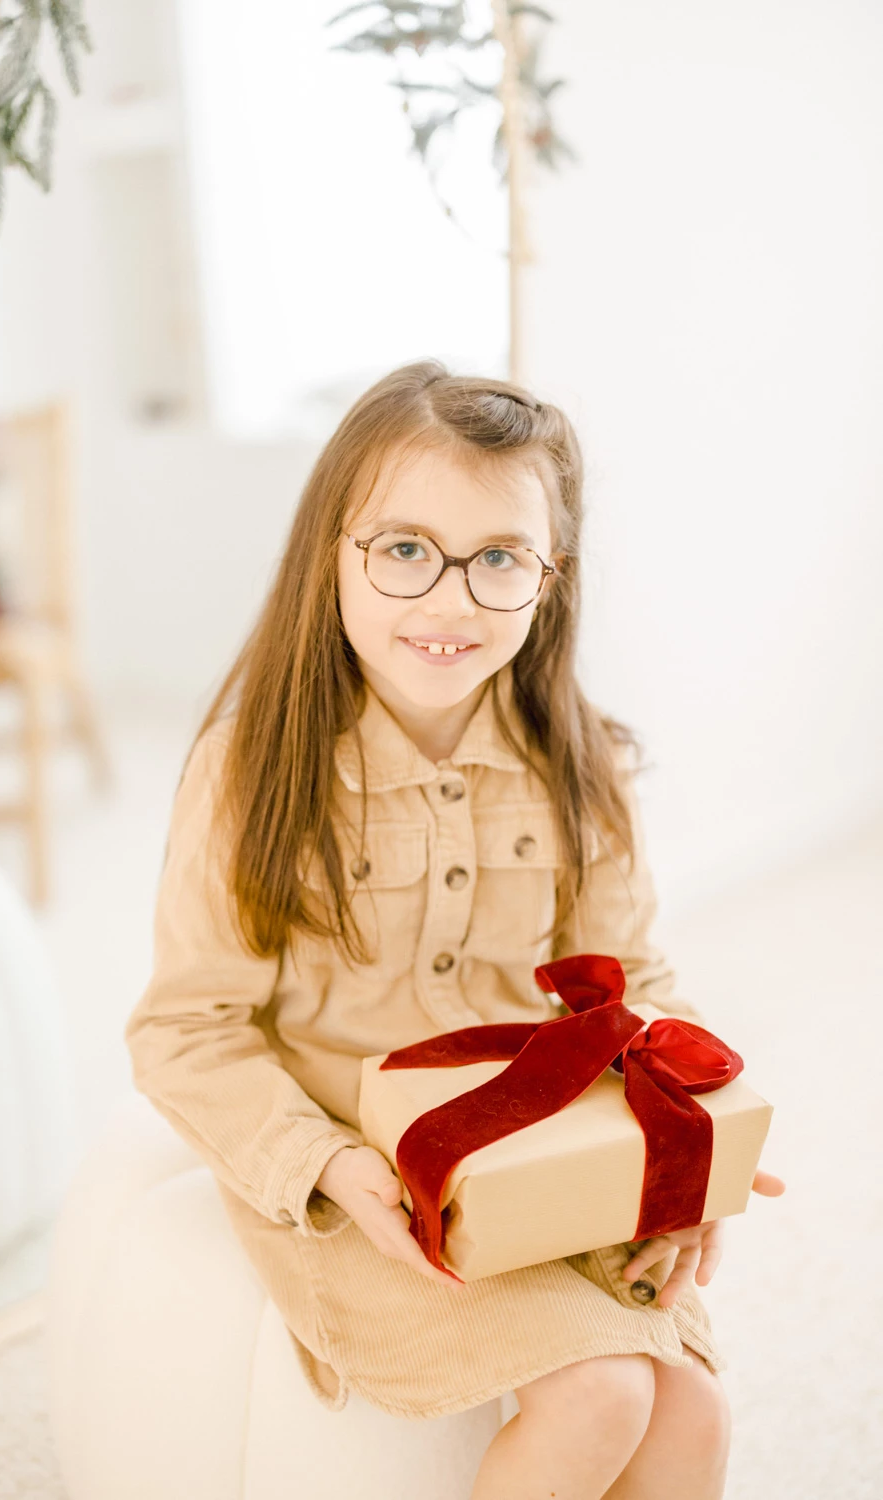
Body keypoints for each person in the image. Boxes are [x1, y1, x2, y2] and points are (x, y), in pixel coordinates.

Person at [124, 360, 784, 1499]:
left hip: (545, 1151)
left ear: (549, 578)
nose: (449, 602)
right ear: (331, 550)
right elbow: (186, 1028)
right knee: (603, 1393)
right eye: (404, 549)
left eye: (498, 561)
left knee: (691, 1415)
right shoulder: (251, 773)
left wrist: (689, 1167)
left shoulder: (584, 764)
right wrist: (323, 1161)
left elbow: (630, 978)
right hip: (364, 1178)